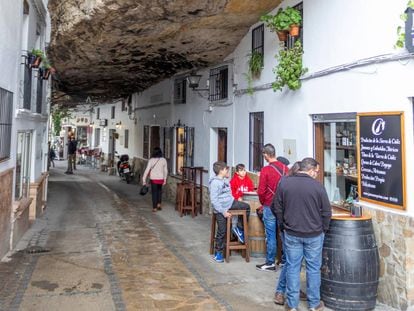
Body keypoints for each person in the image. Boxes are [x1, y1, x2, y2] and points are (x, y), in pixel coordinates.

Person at [273, 158, 332, 311]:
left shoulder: (285, 183)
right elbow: (326, 212)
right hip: (314, 234)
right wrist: (323, 229)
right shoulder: (318, 187)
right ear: (311, 170)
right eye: (316, 172)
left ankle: (292, 305)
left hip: (292, 232)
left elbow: (276, 207)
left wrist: (283, 224)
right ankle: (314, 304)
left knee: (293, 267)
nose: (317, 175)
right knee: (313, 268)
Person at [272, 161, 307, 306]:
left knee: (294, 260)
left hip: (296, 227)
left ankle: (292, 288)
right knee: (291, 261)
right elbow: (276, 206)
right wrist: (283, 223)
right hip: (288, 228)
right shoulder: (285, 183)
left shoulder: (294, 183)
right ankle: (280, 291)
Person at [209, 161, 250, 263]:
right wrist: (223, 211)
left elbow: (230, 195)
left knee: (247, 207)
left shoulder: (225, 180)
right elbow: (214, 201)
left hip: (231, 203)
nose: (228, 171)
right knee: (222, 230)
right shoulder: (215, 183)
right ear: (221, 171)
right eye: (226, 169)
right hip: (220, 209)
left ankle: (239, 230)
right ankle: (218, 253)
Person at [256, 143, 288, 271]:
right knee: (284, 234)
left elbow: (261, 191)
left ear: (266, 155)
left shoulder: (266, 170)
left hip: (269, 205)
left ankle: (270, 262)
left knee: (271, 235)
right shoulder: (286, 169)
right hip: (283, 206)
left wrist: (263, 203)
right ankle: (285, 261)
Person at [142, 147, 168, 212]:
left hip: (153, 179)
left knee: (154, 193)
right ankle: (159, 204)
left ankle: (154, 208)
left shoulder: (151, 160)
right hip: (161, 179)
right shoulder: (163, 160)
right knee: (159, 191)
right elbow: (166, 171)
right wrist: (165, 179)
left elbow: (147, 170)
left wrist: (144, 179)